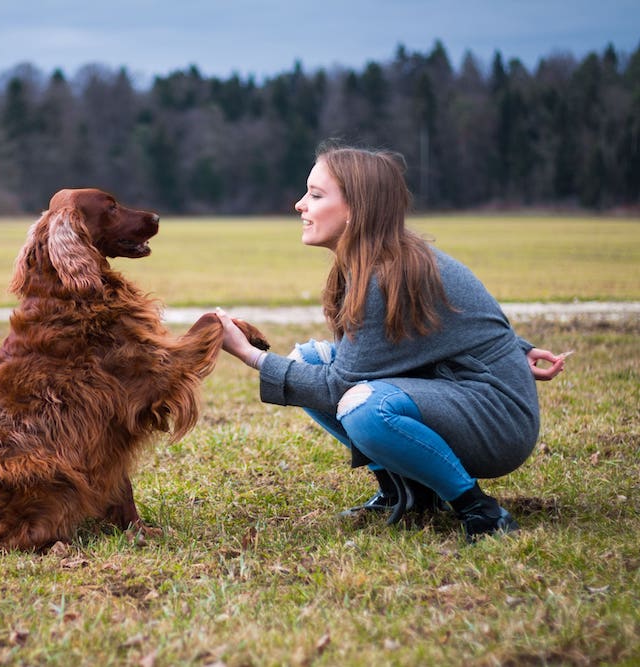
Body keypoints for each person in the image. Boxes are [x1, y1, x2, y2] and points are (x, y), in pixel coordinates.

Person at [215, 143, 568, 542]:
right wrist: (519, 348)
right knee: (308, 357)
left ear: (356, 209)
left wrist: (248, 355)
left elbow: (338, 386)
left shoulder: (388, 272)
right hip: (456, 390)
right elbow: (449, 321)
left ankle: (480, 510)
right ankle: (408, 491)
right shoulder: (379, 260)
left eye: (315, 195)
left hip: (498, 422)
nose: (300, 205)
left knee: (363, 406)